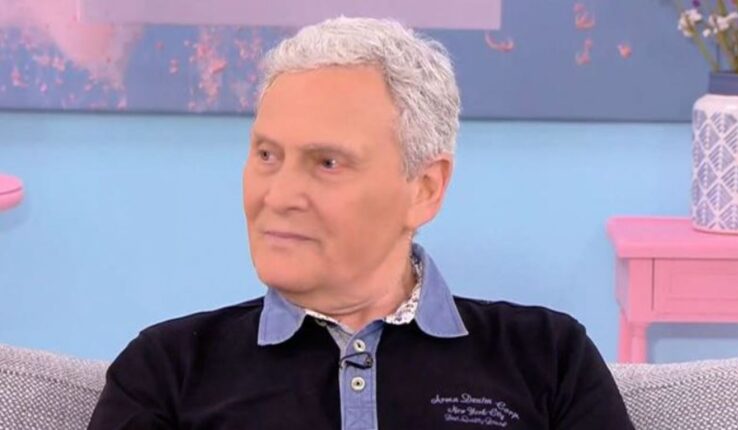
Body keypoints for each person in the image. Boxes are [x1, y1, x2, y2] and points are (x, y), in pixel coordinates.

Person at [88, 17, 634, 429]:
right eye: (267, 155)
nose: (279, 196)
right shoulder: (165, 370)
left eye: (327, 163)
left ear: (424, 188)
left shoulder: (548, 357)